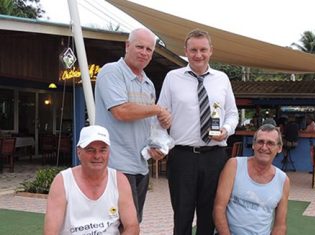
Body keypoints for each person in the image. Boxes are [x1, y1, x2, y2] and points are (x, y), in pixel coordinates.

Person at [158, 29, 239, 235]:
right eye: (193, 50)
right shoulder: (172, 78)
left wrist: (226, 130)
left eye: (203, 49)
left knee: (209, 215)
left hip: (214, 157)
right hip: (182, 157)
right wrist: (160, 142)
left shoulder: (222, 79)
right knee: (182, 215)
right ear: (186, 51)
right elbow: (159, 117)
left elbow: (232, 113)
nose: (198, 54)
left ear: (211, 51)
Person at [95, 28, 171, 222]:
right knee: (117, 226)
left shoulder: (148, 83)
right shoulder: (111, 71)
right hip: (116, 166)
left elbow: (148, 125)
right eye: (139, 46)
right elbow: (121, 111)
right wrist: (156, 109)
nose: (144, 53)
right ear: (127, 46)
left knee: (133, 223)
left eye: (149, 49)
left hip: (140, 166)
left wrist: (156, 145)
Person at [44, 125, 139, 235]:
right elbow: (50, 232)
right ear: (79, 152)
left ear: (109, 152)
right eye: (90, 150)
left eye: (102, 150)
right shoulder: (62, 181)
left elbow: (132, 226)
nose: (97, 156)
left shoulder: (119, 180)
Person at [213, 124, 290, 235]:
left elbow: (280, 225)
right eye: (260, 142)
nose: (264, 147)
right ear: (253, 145)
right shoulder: (234, 165)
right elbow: (219, 208)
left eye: (270, 143)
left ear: (279, 148)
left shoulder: (283, 180)